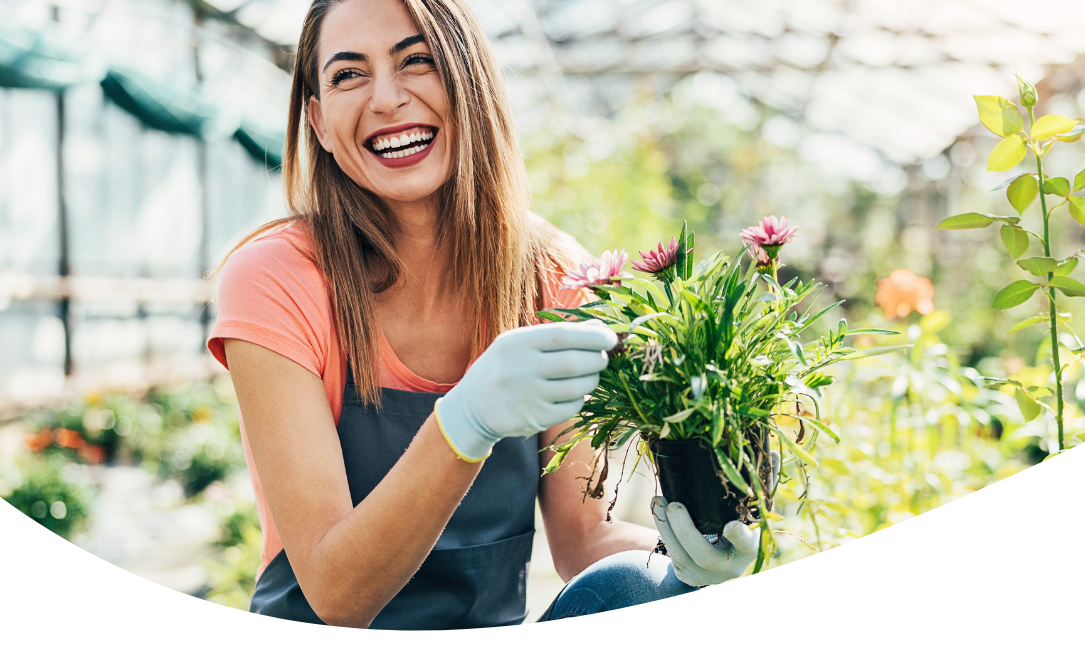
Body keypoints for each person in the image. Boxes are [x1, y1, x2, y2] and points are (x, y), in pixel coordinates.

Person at [210, 0, 762, 630]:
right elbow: (337, 596)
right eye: (348, 75)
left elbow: (586, 539)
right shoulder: (277, 278)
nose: (386, 99)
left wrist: (691, 569)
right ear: (320, 122)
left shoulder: (553, 276)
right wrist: (466, 423)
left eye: (416, 61)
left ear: (470, 81)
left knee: (640, 589)